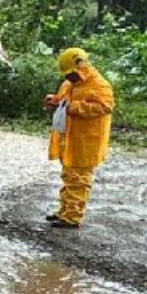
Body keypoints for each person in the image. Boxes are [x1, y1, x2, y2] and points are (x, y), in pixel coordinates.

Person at [43, 48, 115, 228]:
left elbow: (105, 107)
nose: (68, 78)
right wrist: (54, 101)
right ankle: (65, 211)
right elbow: (63, 102)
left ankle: (72, 217)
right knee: (69, 176)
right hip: (68, 138)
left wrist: (74, 107)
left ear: (81, 65)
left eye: (71, 74)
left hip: (86, 141)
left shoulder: (100, 85)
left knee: (79, 178)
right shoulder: (69, 84)